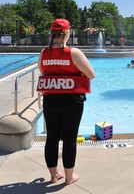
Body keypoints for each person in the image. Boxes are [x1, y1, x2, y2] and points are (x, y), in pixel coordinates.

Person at [36, 18, 95, 185]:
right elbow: (91, 74)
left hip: (50, 99)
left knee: (52, 138)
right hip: (71, 100)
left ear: (52, 34)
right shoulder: (73, 53)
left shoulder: (43, 53)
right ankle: (69, 178)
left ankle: (54, 176)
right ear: (67, 33)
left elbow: (43, 71)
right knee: (69, 139)